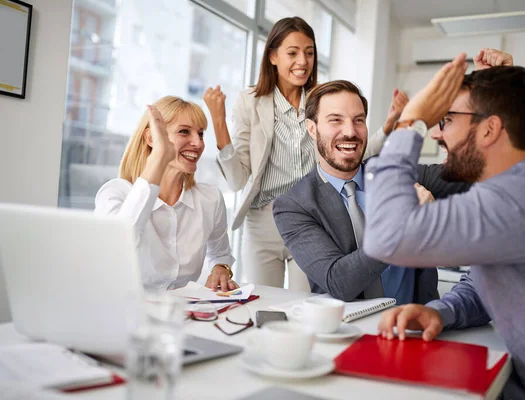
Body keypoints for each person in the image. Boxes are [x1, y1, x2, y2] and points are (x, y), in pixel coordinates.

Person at [363, 51, 525, 399]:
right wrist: (440, 313)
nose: (436, 135)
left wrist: (410, 123)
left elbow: (386, 237)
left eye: (446, 120)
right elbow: (484, 280)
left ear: (490, 129)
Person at [203, 17, 406, 289]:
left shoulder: (321, 101)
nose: (303, 61)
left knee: (309, 303)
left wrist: (390, 125)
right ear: (273, 56)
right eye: (293, 53)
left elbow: (350, 152)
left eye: (309, 53)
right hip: (263, 222)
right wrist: (218, 123)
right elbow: (237, 179)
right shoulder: (250, 101)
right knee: (266, 304)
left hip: (312, 219)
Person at [273, 80, 470, 304]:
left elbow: (474, 174)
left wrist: (502, 93)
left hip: (415, 325)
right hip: (349, 332)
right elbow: (340, 281)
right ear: (312, 129)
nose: (350, 132)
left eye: (358, 120)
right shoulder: (294, 206)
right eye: (335, 120)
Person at [95, 96, 238, 292]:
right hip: (126, 310)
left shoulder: (210, 199)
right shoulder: (115, 194)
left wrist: (221, 269)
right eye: (184, 132)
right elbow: (118, 245)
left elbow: (220, 254)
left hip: (183, 312)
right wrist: (160, 156)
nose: (198, 143)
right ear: (151, 138)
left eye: (201, 134)